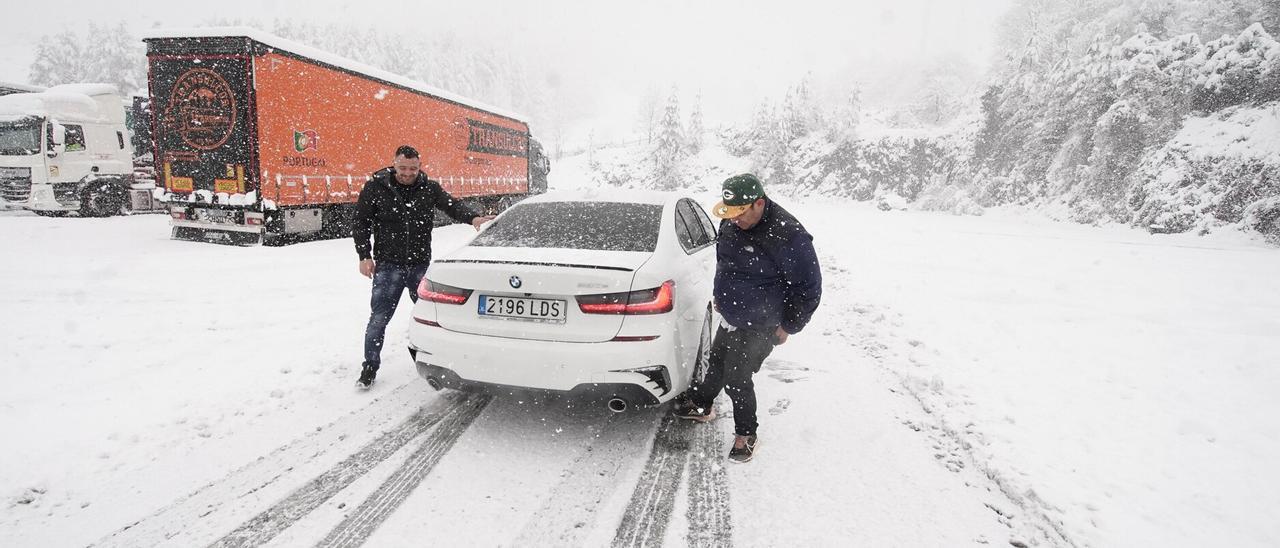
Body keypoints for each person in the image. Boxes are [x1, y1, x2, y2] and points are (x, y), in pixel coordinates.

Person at [674, 173, 822, 462]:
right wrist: (720, 294)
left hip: (762, 322)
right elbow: (725, 261)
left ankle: (746, 434)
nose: (734, 220)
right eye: (730, 214)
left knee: (737, 377)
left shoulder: (787, 233)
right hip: (732, 313)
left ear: (759, 203)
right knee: (717, 361)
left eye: (740, 213)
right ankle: (702, 405)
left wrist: (790, 325)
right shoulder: (732, 221)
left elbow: (809, 287)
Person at [352, 145, 493, 389]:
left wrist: (473, 218)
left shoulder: (429, 188)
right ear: (394, 164)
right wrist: (365, 255)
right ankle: (369, 367)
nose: (408, 173)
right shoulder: (376, 187)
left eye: (413, 168)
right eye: (403, 168)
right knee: (378, 319)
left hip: (419, 266)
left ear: (420, 165)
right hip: (388, 266)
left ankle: (437, 362)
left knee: (432, 317)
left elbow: (452, 205)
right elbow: (361, 221)